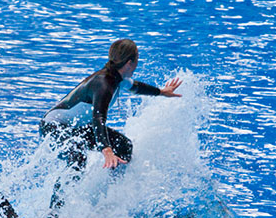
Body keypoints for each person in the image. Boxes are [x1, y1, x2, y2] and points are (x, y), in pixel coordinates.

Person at [40, 39, 182, 174]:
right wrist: (106, 150)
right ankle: (59, 200)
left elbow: (137, 87)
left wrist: (162, 92)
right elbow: (98, 117)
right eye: (137, 60)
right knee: (77, 158)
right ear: (129, 63)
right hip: (53, 125)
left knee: (123, 146)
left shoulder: (119, 78)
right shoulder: (104, 83)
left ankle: (111, 191)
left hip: (76, 126)